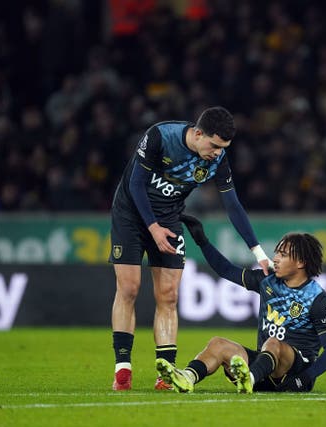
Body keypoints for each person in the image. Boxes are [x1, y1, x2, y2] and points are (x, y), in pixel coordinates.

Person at [109, 107, 272, 391]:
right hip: (131, 216)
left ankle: (166, 373)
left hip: (169, 218)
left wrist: (258, 252)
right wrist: (152, 227)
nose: (218, 153)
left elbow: (233, 205)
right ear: (198, 134)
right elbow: (136, 184)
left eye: (224, 148)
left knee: (169, 295)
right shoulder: (160, 136)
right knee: (129, 288)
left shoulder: (218, 159)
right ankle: (123, 367)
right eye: (214, 146)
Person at [154, 214, 326, 393]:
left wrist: (303, 379)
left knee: (274, 342)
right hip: (264, 368)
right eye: (277, 253)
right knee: (218, 343)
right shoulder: (268, 280)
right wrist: (202, 241)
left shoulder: (318, 299)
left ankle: (248, 378)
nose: (275, 258)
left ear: (300, 262)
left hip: (295, 373)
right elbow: (226, 270)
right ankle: (187, 377)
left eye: (282, 255)